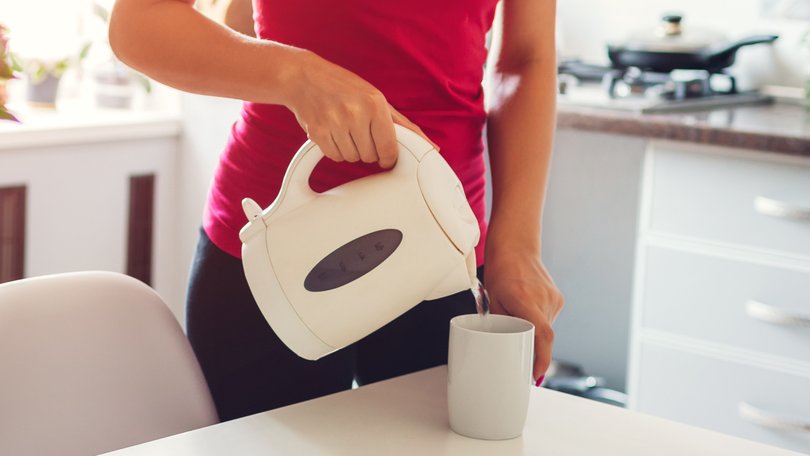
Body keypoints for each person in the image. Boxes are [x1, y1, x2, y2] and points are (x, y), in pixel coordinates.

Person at [109, 0, 564, 422]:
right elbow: (139, 24)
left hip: (446, 247)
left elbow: (525, 58)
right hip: (275, 253)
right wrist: (296, 75)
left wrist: (517, 246)